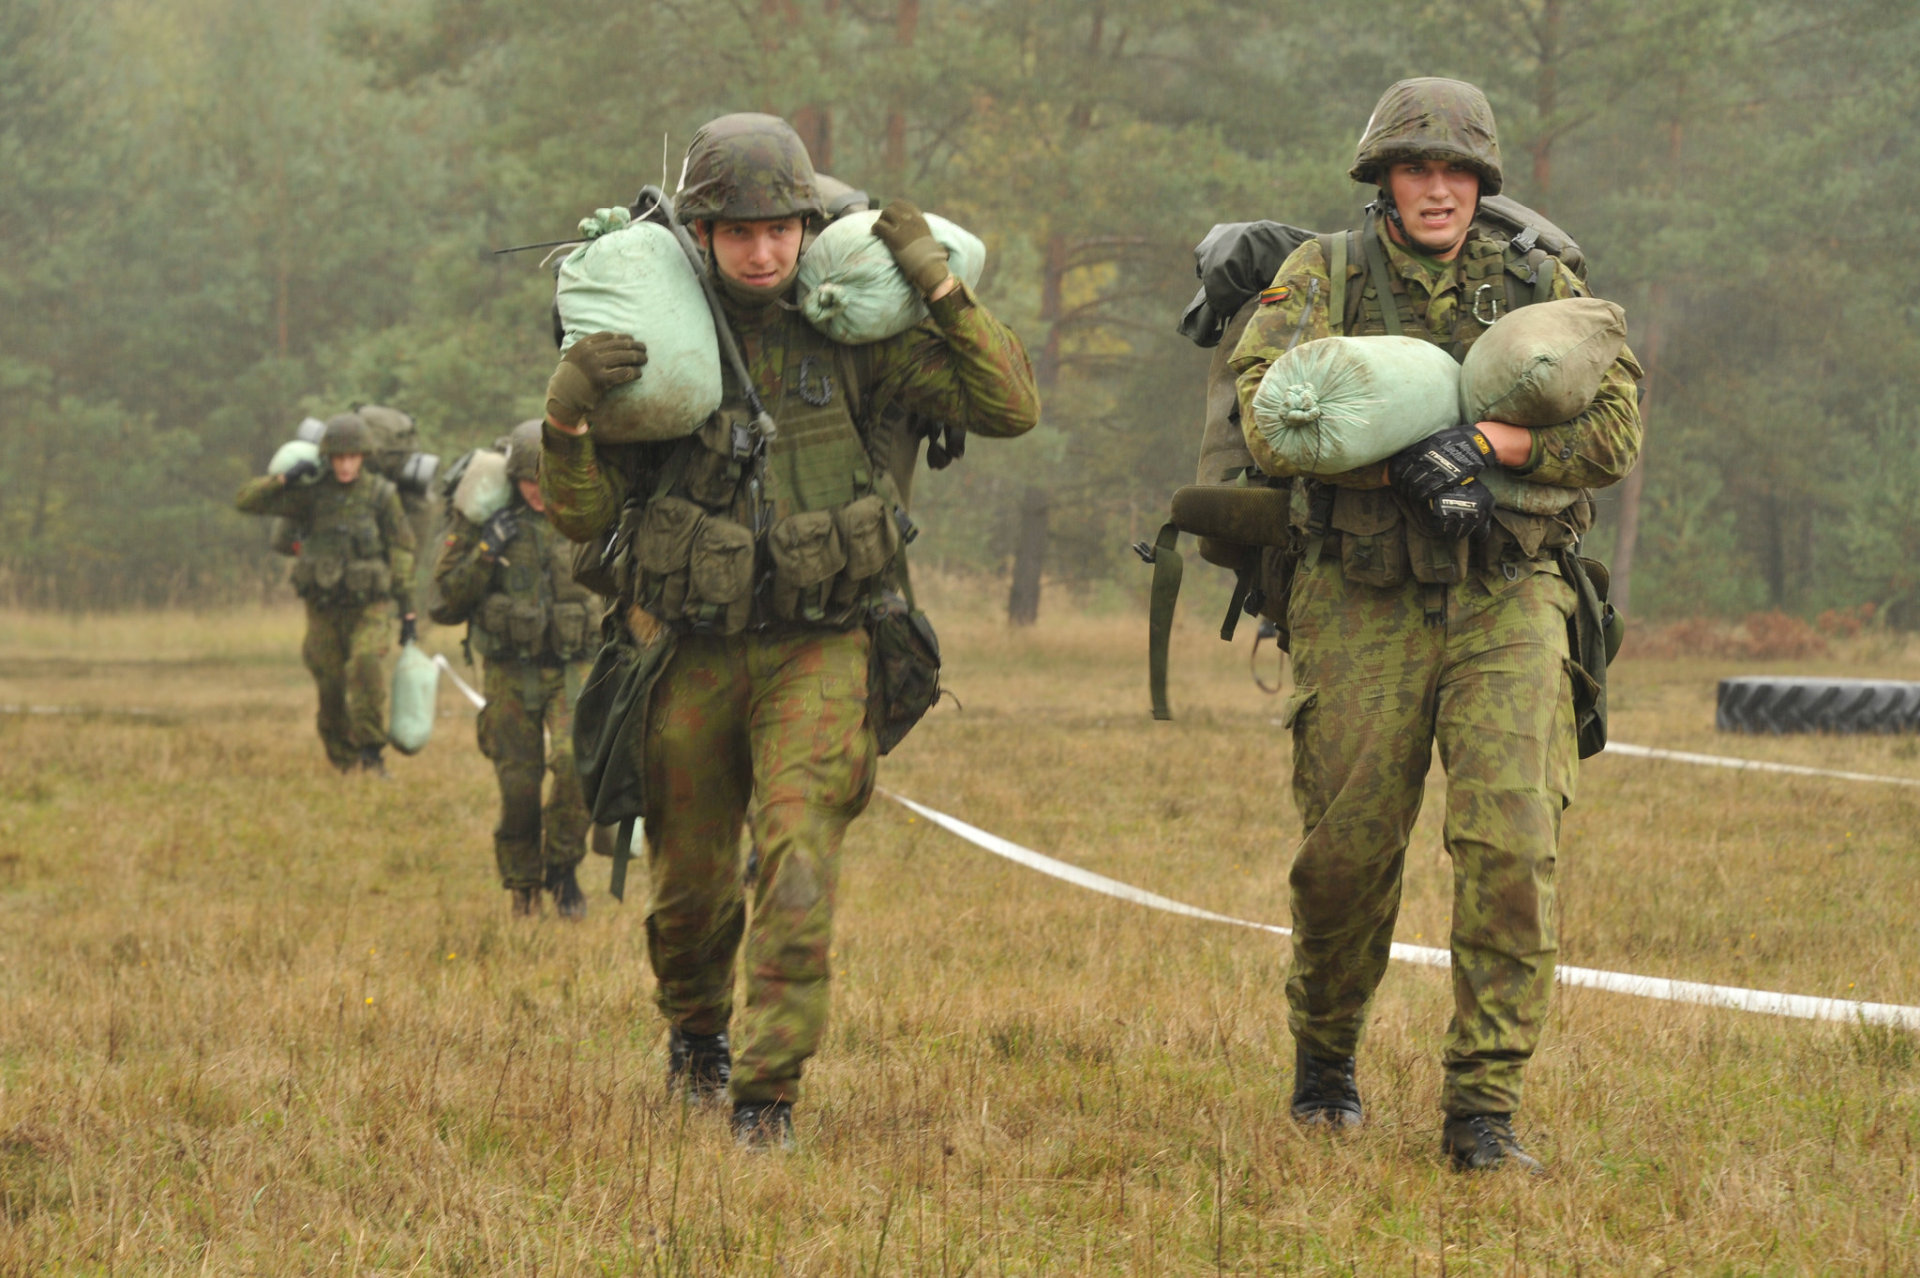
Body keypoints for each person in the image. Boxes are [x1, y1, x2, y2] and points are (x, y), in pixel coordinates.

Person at [538, 113, 1040, 1148]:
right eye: (739, 232)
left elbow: (1011, 406)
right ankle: (696, 1033)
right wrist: (569, 418)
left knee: (799, 859)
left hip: (825, 642)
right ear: (704, 236)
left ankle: (767, 1096)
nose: (764, 251)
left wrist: (939, 285)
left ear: (809, 228)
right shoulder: (661, 350)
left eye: (782, 229)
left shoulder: (858, 338)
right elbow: (587, 521)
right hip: (690, 650)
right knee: (690, 891)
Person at [1228, 78, 1643, 1172]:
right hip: (1361, 591)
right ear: (1383, 179)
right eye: (1416, 167)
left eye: (1457, 170)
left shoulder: (1543, 286)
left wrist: (1492, 449)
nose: (1438, 188)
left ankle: (1484, 1109)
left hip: (1507, 592)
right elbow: (1266, 422)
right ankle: (1325, 1060)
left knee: (1512, 845)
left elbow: (1615, 432)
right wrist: (1395, 436)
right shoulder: (1320, 276)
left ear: (1483, 183)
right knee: (1344, 860)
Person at [430, 420, 601, 920]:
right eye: (527, 482)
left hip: (574, 666)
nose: (537, 492)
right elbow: (444, 601)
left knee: (577, 764)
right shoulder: (485, 522)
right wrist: (486, 553)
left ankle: (563, 868)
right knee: (519, 787)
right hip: (509, 671)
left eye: (545, 480)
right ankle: (522, 886)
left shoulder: (588, 517)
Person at [237, 413, 418, 776]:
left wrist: (408, 610)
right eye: (338, 457)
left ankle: (371, 753)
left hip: (370, 605)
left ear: (363, 457)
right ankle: (344, 759)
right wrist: (286, 478)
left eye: (352, 457)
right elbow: (247, 501)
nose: (346, 464)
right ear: (328, 458)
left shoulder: (381, 495)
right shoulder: (311, 495)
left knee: (366, 666)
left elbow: (401, 549)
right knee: (330, 685)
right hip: (323, 608)